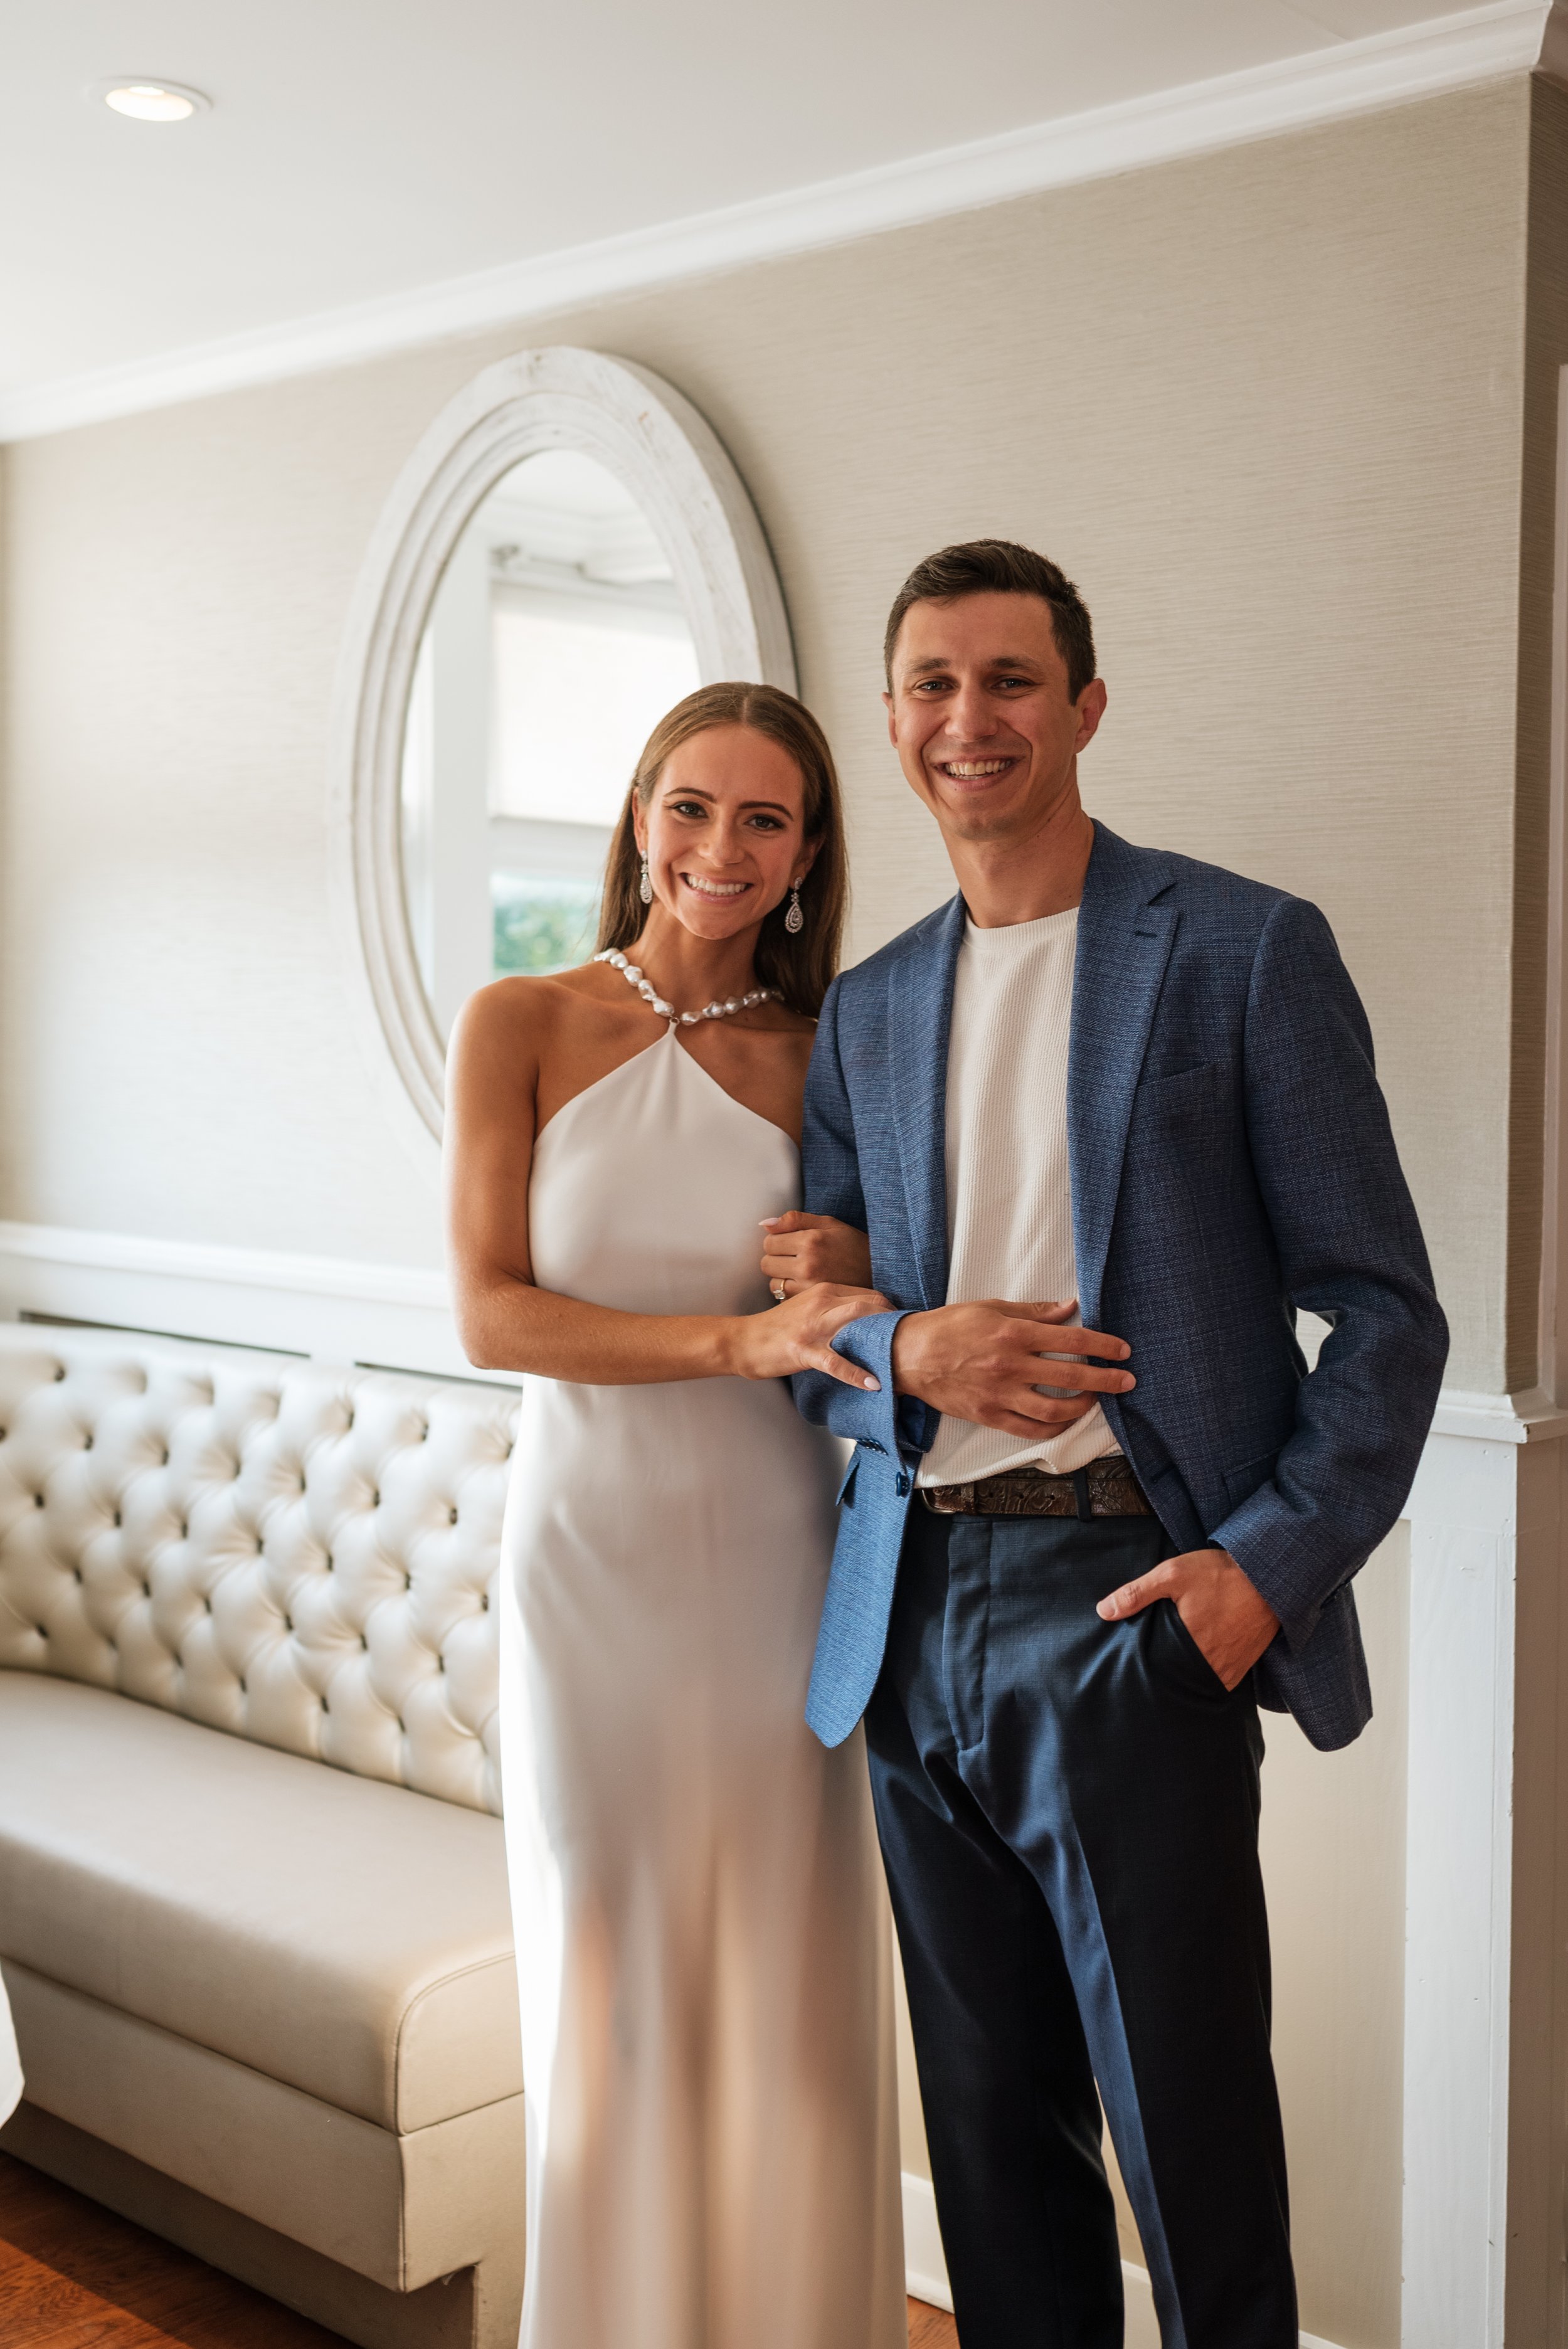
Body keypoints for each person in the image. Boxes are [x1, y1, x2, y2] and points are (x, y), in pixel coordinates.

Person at [775, 541, 1448, 2349]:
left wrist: (1256, 1573)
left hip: (1129, 1598)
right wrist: (898, 1347)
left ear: (1082, 704)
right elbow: (808, 1335)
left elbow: (1386, 1313)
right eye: (930, 683)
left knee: (1189, 2139)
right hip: (910, 1608)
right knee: (994, 2148)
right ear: (894, 718)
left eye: (1007, 680)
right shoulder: (872, 1004)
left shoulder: (1240, 948)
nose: (965, 719)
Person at [444, 682, 906, 2349]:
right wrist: (730, 1334)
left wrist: (847, 1289)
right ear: (641, 815)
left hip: (782, 1565)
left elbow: (867, 1342)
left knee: (786, 1990)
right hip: (591, 1569)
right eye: (692, 806)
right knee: (614, 1978)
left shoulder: (830, 1050)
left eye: (764, 818)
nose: (722, 846)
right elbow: (491, 1316)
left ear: (804, 855)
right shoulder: (522, 1019)